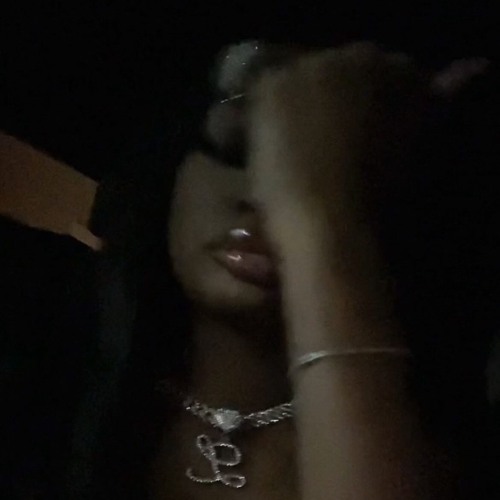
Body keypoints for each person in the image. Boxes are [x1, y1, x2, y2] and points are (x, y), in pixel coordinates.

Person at [2, 41, 498, 499]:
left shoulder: (454, 453)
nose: (264, 198)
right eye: (238, 152)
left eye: (323, 174)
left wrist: (319, 229)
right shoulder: (48, 350)